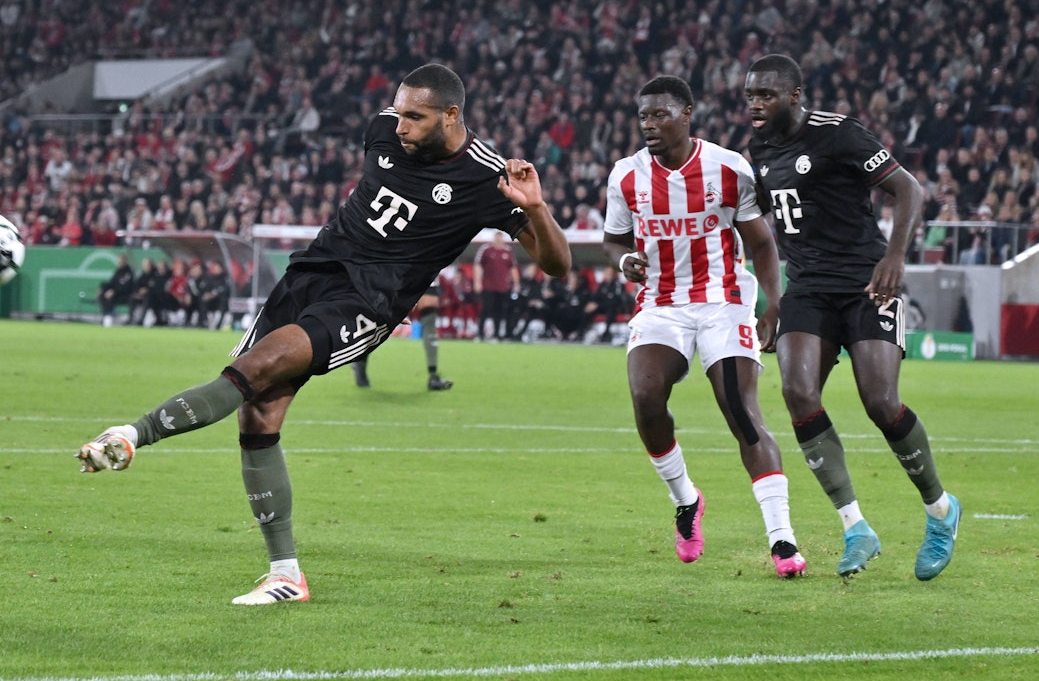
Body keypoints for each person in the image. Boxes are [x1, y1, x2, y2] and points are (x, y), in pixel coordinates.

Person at [76, 63, 572, 605]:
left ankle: (130, 435)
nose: (400, 125)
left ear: (451, 116)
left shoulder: (489, 177)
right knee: (258, 414)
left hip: (367, 300)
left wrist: (537, 209)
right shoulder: (383, 130)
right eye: (399, 111)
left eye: (415, 116)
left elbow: (557, 264)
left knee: (258, 366)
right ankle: (286, 574)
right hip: (312, 272)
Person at [743, 53, 961, 581]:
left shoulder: (840, 134)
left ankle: (940, 509)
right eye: (750, 95)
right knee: (797, 391)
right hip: (809, 287)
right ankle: (855, 527)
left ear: (795, 96)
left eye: (766, 95)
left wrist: (895, 256)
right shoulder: (760, 149)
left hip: (868, 279)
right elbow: (765, 235)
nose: (755, 104)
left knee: (880, 400)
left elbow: (908, 188)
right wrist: (773, 300)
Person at [602, 75, 806, 578]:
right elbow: (613, 241)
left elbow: (761, 243)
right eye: (643, 115)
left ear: (687, 112)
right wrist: (623, 260)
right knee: (646, 396)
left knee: (739, 407)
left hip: (724, 300)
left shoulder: (728, 167)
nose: (649, 124)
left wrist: (774, 304)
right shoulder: (626, 176)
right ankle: (687, 500)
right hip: (661, 303)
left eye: (660, 114)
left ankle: (782, 539)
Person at [353, 283, 453, 390]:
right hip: (397, 270)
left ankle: (433, 376)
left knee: (429, 312)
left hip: (419, 270)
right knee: (378, 317)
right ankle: (361, 359)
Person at [473, 230, 519, 340]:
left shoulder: (508, 251)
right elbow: (477, 265)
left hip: (503, 286)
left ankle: (497, 334)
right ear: (493, 238)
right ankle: (480, 333)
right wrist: (477, 281)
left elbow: (513, 268)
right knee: (485, 309)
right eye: (496, 238)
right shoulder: (486, 249)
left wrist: (516, 283)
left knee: (499, 310)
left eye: (500, 238)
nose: (498, 240)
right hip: (488, 285)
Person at [97, 254, 135, 328]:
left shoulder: (129, 273)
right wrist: (102, 289)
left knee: (110, 297)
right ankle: (107, 315)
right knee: (102, 296)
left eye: (121, 261)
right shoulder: (118, 271)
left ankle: (110, 317)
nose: (119, 263)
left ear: (125, 261)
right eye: (118, 261)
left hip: (125, 295)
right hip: (116, 294)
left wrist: (114, 291)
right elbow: (111, 283)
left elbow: (126, 286)